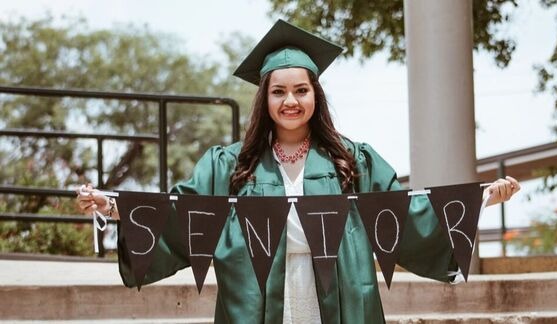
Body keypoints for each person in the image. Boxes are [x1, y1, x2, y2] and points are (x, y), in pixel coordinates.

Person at [77, 19, 520, 324]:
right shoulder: (230, 164)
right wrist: (113, 206)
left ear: (315, 96)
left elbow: (402, 214)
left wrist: (475, 200)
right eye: (279, 92)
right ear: (265, 100)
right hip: (257, 293)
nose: (291, 101)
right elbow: (180, 213)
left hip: (339, 292)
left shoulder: (353, 160)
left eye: (301, 90)